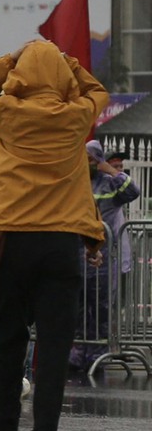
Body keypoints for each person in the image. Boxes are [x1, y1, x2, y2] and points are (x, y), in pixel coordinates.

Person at [0, 40, 108, 431]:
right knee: (55, 340)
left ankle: (5, 430)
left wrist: (6, 62)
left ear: (20, 75)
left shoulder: (6, 113)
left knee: (8, 335)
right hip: (61, 242)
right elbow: (97, 91)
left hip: (10, 238)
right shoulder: (76, 116)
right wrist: (71, 65)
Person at [82, 142, 138, 368]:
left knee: (102, 307)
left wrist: (111, 170)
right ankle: (78, 351)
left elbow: (133, 191)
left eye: (93, 159)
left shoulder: (108, 183)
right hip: (79, 253)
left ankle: (98, 353)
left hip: (104, 257)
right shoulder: (76, 182)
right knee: (78, 304)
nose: (89, 163)